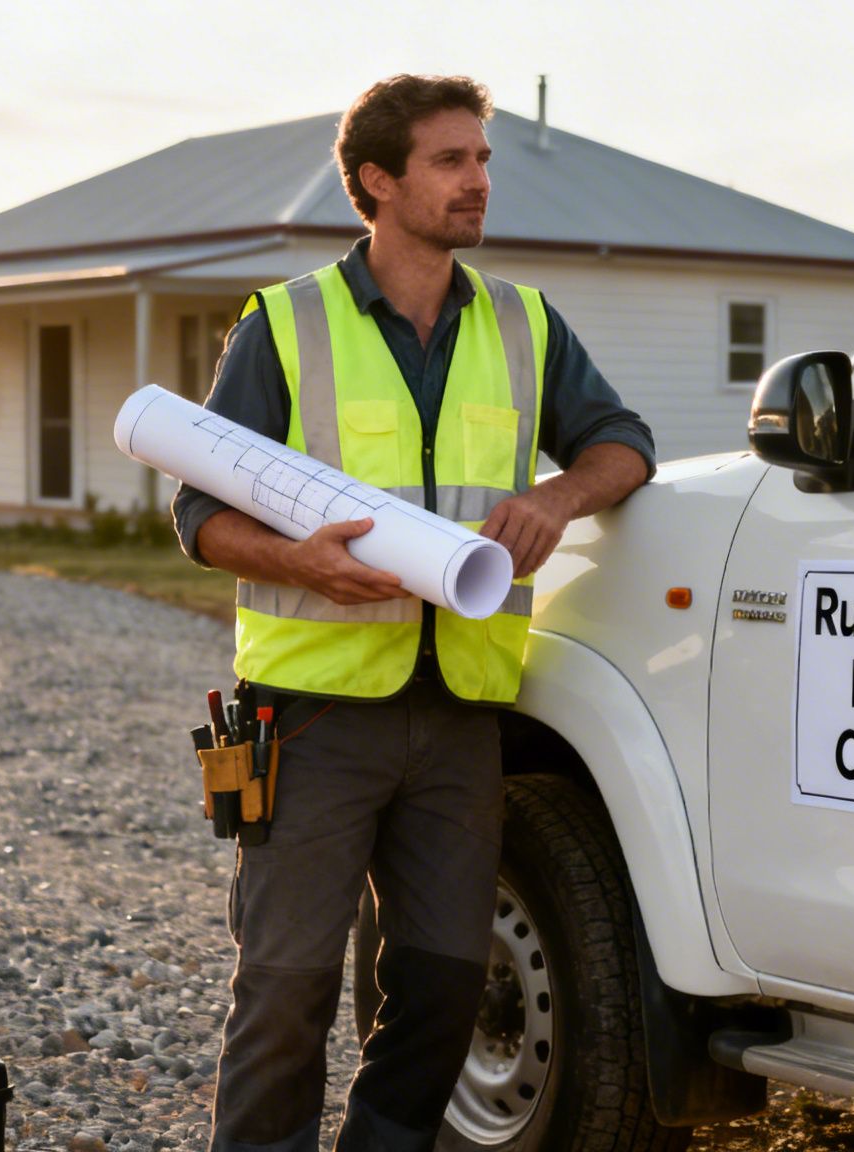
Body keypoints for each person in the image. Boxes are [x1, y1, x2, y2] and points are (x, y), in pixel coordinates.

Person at [171, 74, 656, 1152]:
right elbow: (196, 510)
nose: (477, 180)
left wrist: (555, 495)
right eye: (451, 161)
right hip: (313, 715)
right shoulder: (287, 326)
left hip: (461, 718)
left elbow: (623, 445)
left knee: (442, 992)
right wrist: (298, 558)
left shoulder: (524, 324)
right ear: (377, 183)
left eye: (481, 159)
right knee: (285, 995)